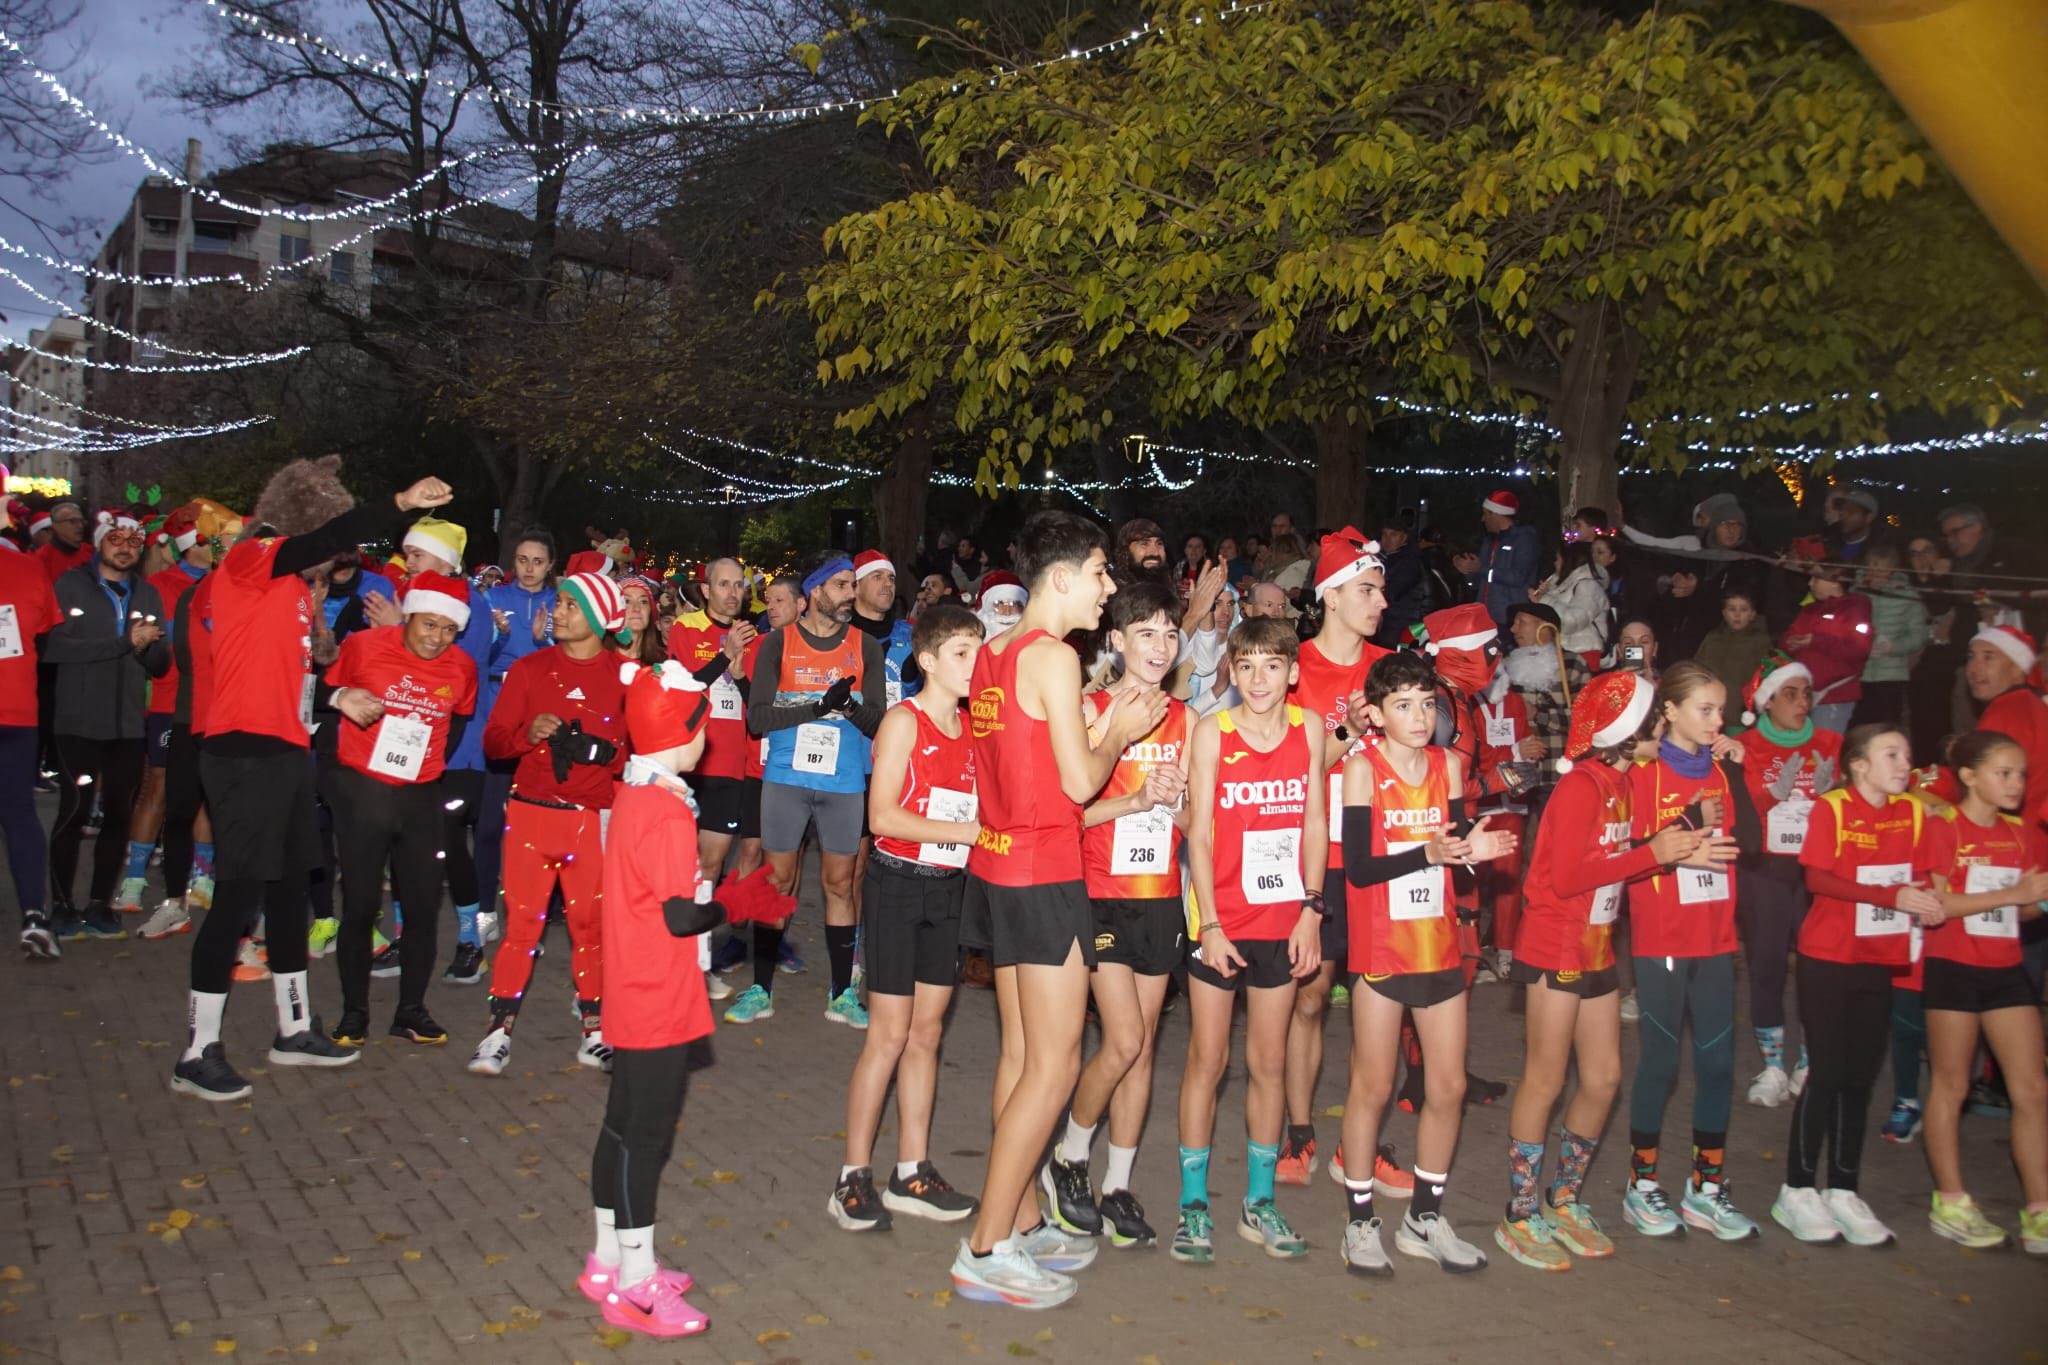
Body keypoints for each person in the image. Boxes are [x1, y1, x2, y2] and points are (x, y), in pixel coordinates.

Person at [172, 458, 441, 1101]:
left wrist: (336, 697)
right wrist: (399, 502)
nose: (336, 550)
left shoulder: (292, 585)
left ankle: (293, 1029)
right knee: (237, 898)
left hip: (287, 751)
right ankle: (197, 1050)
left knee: (292, 891)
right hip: (243, 753)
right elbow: (325, 539)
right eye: (325, 525)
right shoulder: (252, 557)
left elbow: (283, 677)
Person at [949, 510, 1163, 1310]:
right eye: (1102, 572)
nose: (1109, 588)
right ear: (1063, 576)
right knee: (1054, 1066)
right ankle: (985, 1244)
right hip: (1043, 873)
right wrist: (1122, 730)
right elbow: (1079, 781)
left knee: (1020, 1058)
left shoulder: (995, 650)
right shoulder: (1052, 655)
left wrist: (1096, 723)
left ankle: (1021, 1217)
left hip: (999, 867)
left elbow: (1025, 756)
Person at [1497, 672, 1735, 1270]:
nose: (1664, 729)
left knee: (1604, 1079)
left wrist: (1674, 844)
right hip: (1556, 946)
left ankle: (1564, 1199)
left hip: (1598, 947)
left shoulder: (1622, 783)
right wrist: (1654, 853)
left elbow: (1618, 859)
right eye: (1656, 721)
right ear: (1629, 730)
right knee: (1545, 1080)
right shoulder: (1581, 786)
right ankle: (1519, 1213)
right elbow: (1565, 878)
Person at [1335, 651, 1516, 1275]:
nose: (1419, 717)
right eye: (1403, 705)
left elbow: (1455, 850)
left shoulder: (1448, 766)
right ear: (1377, 714)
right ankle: (1360, 1222)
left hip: (1436, 945)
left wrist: (1473, 851)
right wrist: (1430, 854)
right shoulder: (1363, 769)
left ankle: (1424, 1217)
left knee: (1449, 1087)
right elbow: (1360, 870)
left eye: (1427, 704)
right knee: (1373, 1086)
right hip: (1382, 948)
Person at [1173, 615, 1328, 1265]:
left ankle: (1259, 1201)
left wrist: (1312, 910)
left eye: (1272, 664)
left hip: (1283, 922)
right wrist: (1209, 924)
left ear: (1292, 671)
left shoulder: (1310, 728)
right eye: (1246, 665)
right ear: (1232, 672)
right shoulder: (1214, 732)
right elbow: (1199, 833)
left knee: (1268, 1061)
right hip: (1221, 921)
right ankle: (1193, 1204)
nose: (1259, 678)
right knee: (1208, 1061)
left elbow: (1315, 819)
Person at [1041, 582, 1190, 1249]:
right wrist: (1135, 800)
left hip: (1159, 895)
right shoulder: (1091, 709)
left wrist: (1174, 801)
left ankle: (1118, 1183)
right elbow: (1065, 814)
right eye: (1146, 633)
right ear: (1119, 640)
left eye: (1170, 633)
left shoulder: (1188, 720)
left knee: (1144, 1046)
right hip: (1099, 892)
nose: (1160, 646)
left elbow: (1198, 822)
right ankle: (1069, 1156)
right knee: (1123, 1038)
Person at [831, 602, 984, 1233]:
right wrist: (966, 831)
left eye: (978, 651)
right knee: (888, 1036)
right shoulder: (903, 721)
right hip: (897, 886)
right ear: (928, 660)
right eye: (962, 653)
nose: (974, 664)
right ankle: (851, 1176)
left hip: (947, 891)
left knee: (927, 1035)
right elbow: (883, 816)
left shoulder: (973, 727)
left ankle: (911, 1171)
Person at [581, 657, 719, 1339]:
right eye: (703, 726)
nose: (707, 737)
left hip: (629, 987)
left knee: (620, 1125)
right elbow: (680, 915)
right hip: (658, 993)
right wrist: (731, 905)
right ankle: (637, 1283)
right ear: (683, 732)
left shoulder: (634, 792)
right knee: (646, 1137)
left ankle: (606, 1259)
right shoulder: (666, 810)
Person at [1770, 724, 1941, 1248]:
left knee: (1861, 1077)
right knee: (1827, 1071)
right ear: (1858, 765)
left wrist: (1928, 897)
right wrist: (1892, 897)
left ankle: (1843, 1188)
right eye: (1891, 754)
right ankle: (1797, 1188)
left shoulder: (1912, 811)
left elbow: (1923, 874)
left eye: (1907, 754)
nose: (1904, 764)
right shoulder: (1834, 808)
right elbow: (1818, 878)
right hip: (1828, 958)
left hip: (1880, 957)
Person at [467, 569, 632, 1076]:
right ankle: (497, 1033)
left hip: (592, 820)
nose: (555, 612)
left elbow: (644, 755)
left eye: (569, 605)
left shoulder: (626, 677)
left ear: (598, 618)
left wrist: (607, 754)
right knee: (521, 928)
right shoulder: (529, 669)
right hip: (531, 814)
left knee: (590, 928)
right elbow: (494, 742)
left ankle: (594, 1031)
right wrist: (527, 735)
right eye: (558, 602)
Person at [1622, 661, 1761, 1240]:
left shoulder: (1723, 771)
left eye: (1721, 711)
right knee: (1660, 1063)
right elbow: (1631, 853)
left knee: (1719, 1065)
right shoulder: (1644, 774)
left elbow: (1751, 843)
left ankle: (1706, 1188)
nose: (1716, 721)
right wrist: (1683, 838)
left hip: (1715, 939)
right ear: (1670, 711)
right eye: (1704, 709)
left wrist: (1740, 773)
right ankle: (1641, 1185)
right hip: (1663, 941)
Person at [728, 552, 887, 1028]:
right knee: (776, 882)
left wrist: (848, 708)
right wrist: (818, 708)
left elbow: (877, 722)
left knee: (840, 884)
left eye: (852, 585)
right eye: (842, 585)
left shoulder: (866, 647)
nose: (850, 594)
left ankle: (842, 994)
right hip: (786, 779)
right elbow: (758, 719)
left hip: (843, 781)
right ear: (815, 591)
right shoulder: (779, 643)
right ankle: (760, 989)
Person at [1277, 529, 1390, 1185]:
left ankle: (1362, 1143)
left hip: (1381, 854)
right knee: (1311, 996)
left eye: (1380, 590)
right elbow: (1291, 767)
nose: (1380, 602)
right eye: (1367, 590)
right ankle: (1299, 1134)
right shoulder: (1293, 668)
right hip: (1316, 852)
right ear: (1332, 596)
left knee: (1379, 1001)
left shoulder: (1391, 666)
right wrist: (1351, 728)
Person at [321, 571, 477, 1046]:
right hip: (364, 791)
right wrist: (340, 774)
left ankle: (411, 1011)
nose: (437, 638)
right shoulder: (363, 647)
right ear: (408, 616)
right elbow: (321, 698)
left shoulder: (462, 668)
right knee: (361, 905)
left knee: (424, 907)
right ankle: (354, 1014)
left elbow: (458, 722)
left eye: (449, 629)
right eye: (429, 624)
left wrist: (426, 763)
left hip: (421, 796)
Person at [1918, 731, 2048, 1255]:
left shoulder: (2021, 833)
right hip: (1953, 967)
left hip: (2006, 968)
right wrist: (2013, 893)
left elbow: (2027, 908)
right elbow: (1938, 906)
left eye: (2021, 774)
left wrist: (2036, 900)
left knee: (2032, 1089)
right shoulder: (1943, 827)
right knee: (1952, 1085)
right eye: (2004, 773)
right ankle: (1951, 1202)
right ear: (1969, 777)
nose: (2016, 784)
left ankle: (2039, 1209)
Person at [44, 511, 172, 939]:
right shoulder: (70, 585)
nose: (125, 548)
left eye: (134, 542)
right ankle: (62, 905)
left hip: (128, 726)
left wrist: (147, 649)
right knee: (74, 812)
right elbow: (56, 647)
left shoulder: (147, 594)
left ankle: (99, 903)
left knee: (118, 814)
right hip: (78, 723)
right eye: (116, 539)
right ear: (100, 542)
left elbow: (160, 664)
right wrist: (123, 642)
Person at [1734, 656, 1839, 1109]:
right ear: (1767, 701)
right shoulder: (1745, 746)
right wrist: (1769, 794)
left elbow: (1846, 809)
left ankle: (1811, 1059)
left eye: (1806, 694)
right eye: (1790, 694)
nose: (1802, 702)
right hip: (1765, 871)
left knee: (1819, 966)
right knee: (1767, 965)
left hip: (1815, 872)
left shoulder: (1830, 743)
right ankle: (1773, 1065)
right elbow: (1736, 813)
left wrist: (1833, 794)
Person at [128, 504, 217, 930]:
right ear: (192, 544)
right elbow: (154, 651)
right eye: (211, 540)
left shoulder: (226, 583)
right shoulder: (161, 586)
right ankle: (134, 880)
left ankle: (203, 879)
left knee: (207, 795)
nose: (220, 547)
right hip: (171, 704)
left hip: (216, 707)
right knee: (162, 790)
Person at [474, 528, 560, 948]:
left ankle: (529, 921)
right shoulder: (493, 599)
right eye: (523, 560)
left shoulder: (560, 604)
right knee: (489, 823)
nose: (529, 568)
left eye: (538, 561)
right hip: (499, 718)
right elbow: (478, 659)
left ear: (550, 565)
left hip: (540, 723)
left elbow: (565, 666)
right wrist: (500, 638)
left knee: (534, 830)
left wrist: (544, 640)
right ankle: (485, 911)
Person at [666, 558, 758, 895]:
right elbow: (685, 689)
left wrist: (740, 674)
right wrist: (724, 655)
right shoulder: (686, 628)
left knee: (711, 864)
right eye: (723, 584)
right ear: (706, 590)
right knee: (677, 860)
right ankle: (670, 925)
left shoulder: (752, 637)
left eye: (738, 585)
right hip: (688, 763)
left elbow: (756, 709)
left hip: (731, 767)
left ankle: (699, 926)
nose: (733, 593)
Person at [2, 493, 63, 959]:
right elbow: (43, 630)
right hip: (16, 709)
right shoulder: (28, 569)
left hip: (18, 710)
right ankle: (34, 916)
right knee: (20, 813)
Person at [1782, 567, 1873, 734]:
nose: (1810, 583)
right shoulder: (1810, 610)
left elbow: (1858, 649)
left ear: (1834, 582)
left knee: (1824, 747)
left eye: (1816, 578)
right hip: (1803, 695)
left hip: (1834, 696)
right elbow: (1789, 638)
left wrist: (1817, 641)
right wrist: (1791, 643)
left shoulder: (1855, 610)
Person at [1855, 545, 1926, 729]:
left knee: (1887, 728)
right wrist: (1860, 646)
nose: (1876, 572)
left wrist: (1893, 647)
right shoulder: (1855, 593)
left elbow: (1918, 634)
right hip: (1859, 674)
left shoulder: (1908, 596)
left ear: (1892, 569)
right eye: (1872, 566)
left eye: (1882, 567)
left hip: (1891, 675)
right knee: (1860, 729)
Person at [1462, 490, 1541, 633]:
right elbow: (1480, 580)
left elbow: (1517, 577)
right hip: (1485, 616)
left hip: (1509, 618)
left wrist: (1481, 569)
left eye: (1485, 514)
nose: (1483, 519)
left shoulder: (1524, 540)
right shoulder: (1489, 541)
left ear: (1496, 514)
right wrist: (1468, 570)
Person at [852, 550, 919, 706]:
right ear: (856, 587)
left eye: (891, 578)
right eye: (877, 577)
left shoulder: (912, 636)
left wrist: (912, 680)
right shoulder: (837, 637)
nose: (888, 584)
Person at [1695, 592, 1772, 726]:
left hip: (1740, 711)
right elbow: (1697, 666)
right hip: (1708, 706)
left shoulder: (1760, 641)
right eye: (1732, 609)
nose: (1737, 615)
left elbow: (1766, 674)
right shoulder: (1713, 637)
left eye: (1743, 610)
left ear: (1752, 614)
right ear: (1724, 613)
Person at [1531, 540, 1610, 668]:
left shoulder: (1588, 586)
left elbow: (1573, 621)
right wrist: (1546, 593)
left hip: (1583, 653)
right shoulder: (1562, 584)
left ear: (1568, 561)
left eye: (1558, 559)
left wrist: (1544, 599)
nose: (1555, 563)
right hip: (1564, 649)